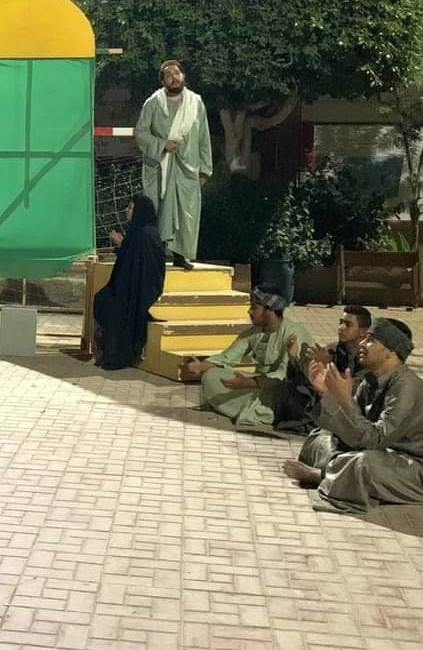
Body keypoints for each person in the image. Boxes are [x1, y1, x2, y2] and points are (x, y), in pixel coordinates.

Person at [282, 318, 423, 515]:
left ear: (390, 351)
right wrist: (326, 393)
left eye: (370, 340)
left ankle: (322, 475)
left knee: (364, 464)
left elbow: (374, 440)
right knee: (320, 437)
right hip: (385, 452)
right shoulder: (371, 380)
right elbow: (353, 427)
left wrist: (344, 400)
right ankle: (338, 473)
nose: (361, 343)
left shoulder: (406, 387)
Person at [186, 286, 313, 427]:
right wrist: (201, 366)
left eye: (254, 308)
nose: (249, 312)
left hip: (288, 393)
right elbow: (227, 357)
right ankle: (248, 407)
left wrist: (251, 382)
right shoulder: (255, 331)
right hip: (261, 385)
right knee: (211, 376)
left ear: (269, 311)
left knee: (271, 396)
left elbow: (283, 374)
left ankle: (256, 410)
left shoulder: (294, 333)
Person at [133, 59, 213, 271]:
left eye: (177, 73)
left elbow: (203, 137)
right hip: (160, 168)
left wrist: (205, 169)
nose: (174, 78)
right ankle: (156, 255)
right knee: (159, 212)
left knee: (186, 213)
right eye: (168, 75)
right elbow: (140, 133)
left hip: (188, 169)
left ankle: (181, 255)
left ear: (183, 76)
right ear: (162, 81)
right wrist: (162, 145)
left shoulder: (195, 103)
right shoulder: (153, 103)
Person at [93, 195, 166, 370]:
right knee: (103, 299)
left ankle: (115, 352)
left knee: (109, 305)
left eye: (131, 208)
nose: (128, 210)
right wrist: (123, 244)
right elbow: (131, 260)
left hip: (137, 291)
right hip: (130, 287)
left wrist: (122, 243)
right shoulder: (140, 232)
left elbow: (141, 266)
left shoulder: (144, 235)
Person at [275, 305, 372, 433]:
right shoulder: (333, 348)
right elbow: (311, 379)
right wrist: (294, 359)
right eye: (340, 323)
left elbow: (353, 388)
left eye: (348, 325)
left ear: (363, 332)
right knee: (294, 386)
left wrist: (328, 365)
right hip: (325, 397)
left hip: (351, 406)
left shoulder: (367, 355)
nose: (341, 328)